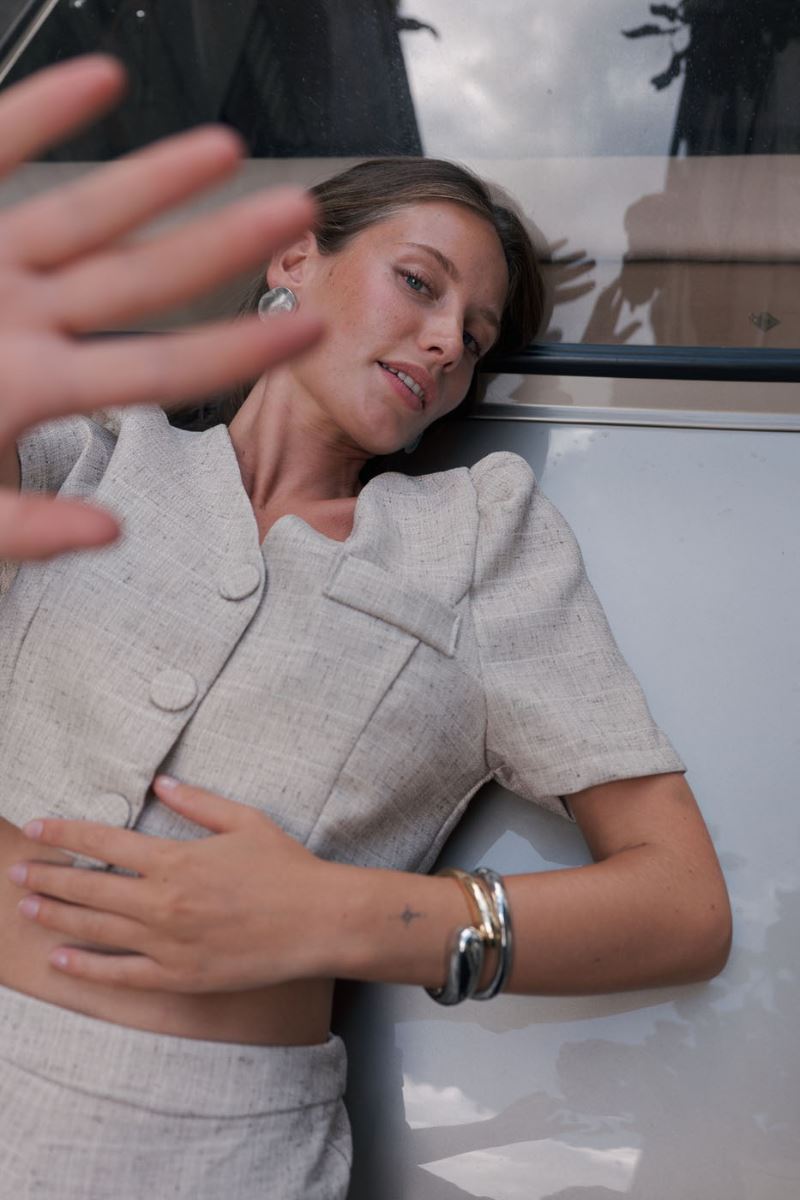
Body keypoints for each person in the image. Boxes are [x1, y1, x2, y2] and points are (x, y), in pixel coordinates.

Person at [0, 56, 731, 1200]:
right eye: (417, 284)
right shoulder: (93, 443)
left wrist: (342, 917)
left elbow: (680, 904)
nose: (444, 345)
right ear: (295, 260)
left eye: (474, 339)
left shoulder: (479, 541)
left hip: (207, 1153)